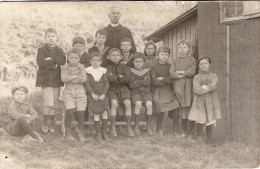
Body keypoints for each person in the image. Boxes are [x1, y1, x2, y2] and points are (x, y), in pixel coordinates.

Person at [36, 28, 66, 134]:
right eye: (48, 36)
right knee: (48, 102)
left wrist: (51, 58)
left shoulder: (60, 50)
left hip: (56, 80)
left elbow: (62, 61)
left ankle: (51, 123)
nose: (51, 38)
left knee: (54, 103)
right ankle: (44, 122)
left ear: (56, 38)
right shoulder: (41, 49)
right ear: (45, 37)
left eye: (53, 36)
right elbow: (40, 62)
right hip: (45, 79)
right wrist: (54, 64)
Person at [188, 57, 221, 145]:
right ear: (198, 66)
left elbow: (214, 86)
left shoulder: (213, 75)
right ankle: (197, 138)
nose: (203, 65)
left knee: (210, 120)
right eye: (201, 64)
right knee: (200, 119)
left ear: (209, 64)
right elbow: (196, 90)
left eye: (205, 63)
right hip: (200, 101)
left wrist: (204, 87)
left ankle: (209, 140)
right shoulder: (196, 77)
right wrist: (207, 88)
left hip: (211, 100)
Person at [151, 46, 180, 137]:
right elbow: (154, 81)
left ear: (168, 56)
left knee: (176, 105)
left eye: (166, 55)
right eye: (162, 54)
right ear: (158, 55)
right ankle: (159, 128)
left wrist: (163, 78)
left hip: (169, 90)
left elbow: (172, 80)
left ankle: (175, 129)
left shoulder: (170, 66)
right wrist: (166, 81)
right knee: (159, 103)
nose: (164, 56)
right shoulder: (153, 66)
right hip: (158, 90)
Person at [169, 40, 196, 138]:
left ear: (188, 48)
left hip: (189, 88)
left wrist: (180, 72)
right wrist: (184, 74)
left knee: (190, 108)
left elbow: (192, 72)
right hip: (179, 87)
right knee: (183, 109)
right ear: (177, 49)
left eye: (184, 47)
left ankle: (191, 131)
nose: (182, 49)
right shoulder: (175, 61)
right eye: (180, 47)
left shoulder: (192, 60)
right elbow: (172, 74)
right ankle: (185, 130)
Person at [106, 48, 134, 137]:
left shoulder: (125, 68)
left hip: (124, 89)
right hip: (112, 89)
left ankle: (129, 127)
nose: (115, 57)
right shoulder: (107, 68)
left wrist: (115, 77)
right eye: (113, 55)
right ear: (109, 57)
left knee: (128, 104)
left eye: (117, 55)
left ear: (121, 57)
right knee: (114, 104)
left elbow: (128, 79)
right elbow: (109, 79)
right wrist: (119, 77)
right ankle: (113, 127)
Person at [61, 50, 87, 141]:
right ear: (68, 58)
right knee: (70, 111)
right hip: (69, 91)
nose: (73, 60)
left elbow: (83, 79)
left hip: (80, 91)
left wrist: (70, 78)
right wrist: (75, 77)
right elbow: (64, 79)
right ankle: (67, 132)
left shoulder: (82, 67)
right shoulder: (65, 67)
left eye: (76, 58)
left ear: (79, 59)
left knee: (81, 112)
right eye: (71, 58)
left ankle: (80, 131)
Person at [85, 52, 110, 142]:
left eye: (98, 60)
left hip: (103, 94)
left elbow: (107, 84)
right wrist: (92, 94)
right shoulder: (87, 70)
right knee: (96, 112)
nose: (95, 62)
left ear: (101, 62)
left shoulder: (103, 71)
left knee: (104, 112)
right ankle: (98, 132)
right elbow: (87, 84)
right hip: (93, 95)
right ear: (90, 61)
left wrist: (103, 94)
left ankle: (104, 131)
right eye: (93, 60)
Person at [128, 53, 153, 136]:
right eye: (136, 61)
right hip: (135, 92)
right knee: (138, 104)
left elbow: (148, 82)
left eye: (140, 62)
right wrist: (142, 82)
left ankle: (148, 125)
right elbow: (131, 85)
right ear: (133, 62)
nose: (138, 63)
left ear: (143, 63)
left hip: (146, 92)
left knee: (149, 104)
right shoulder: (130, 71)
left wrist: (137, 81)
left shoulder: (147, 71)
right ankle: (136, 125)